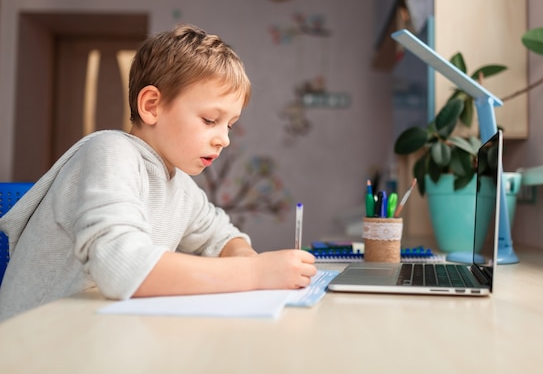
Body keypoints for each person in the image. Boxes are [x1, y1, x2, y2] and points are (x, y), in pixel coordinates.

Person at [0, 24, 316, 321]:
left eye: (229, 125)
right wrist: (255, 274)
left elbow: (224, 237)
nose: (225, 138)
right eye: (210, 120)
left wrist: (245, 257)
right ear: (151, 105)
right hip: (36, 342)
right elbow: (122, 269)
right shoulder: (110, 152)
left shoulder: (180, 185)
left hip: (99, 333)